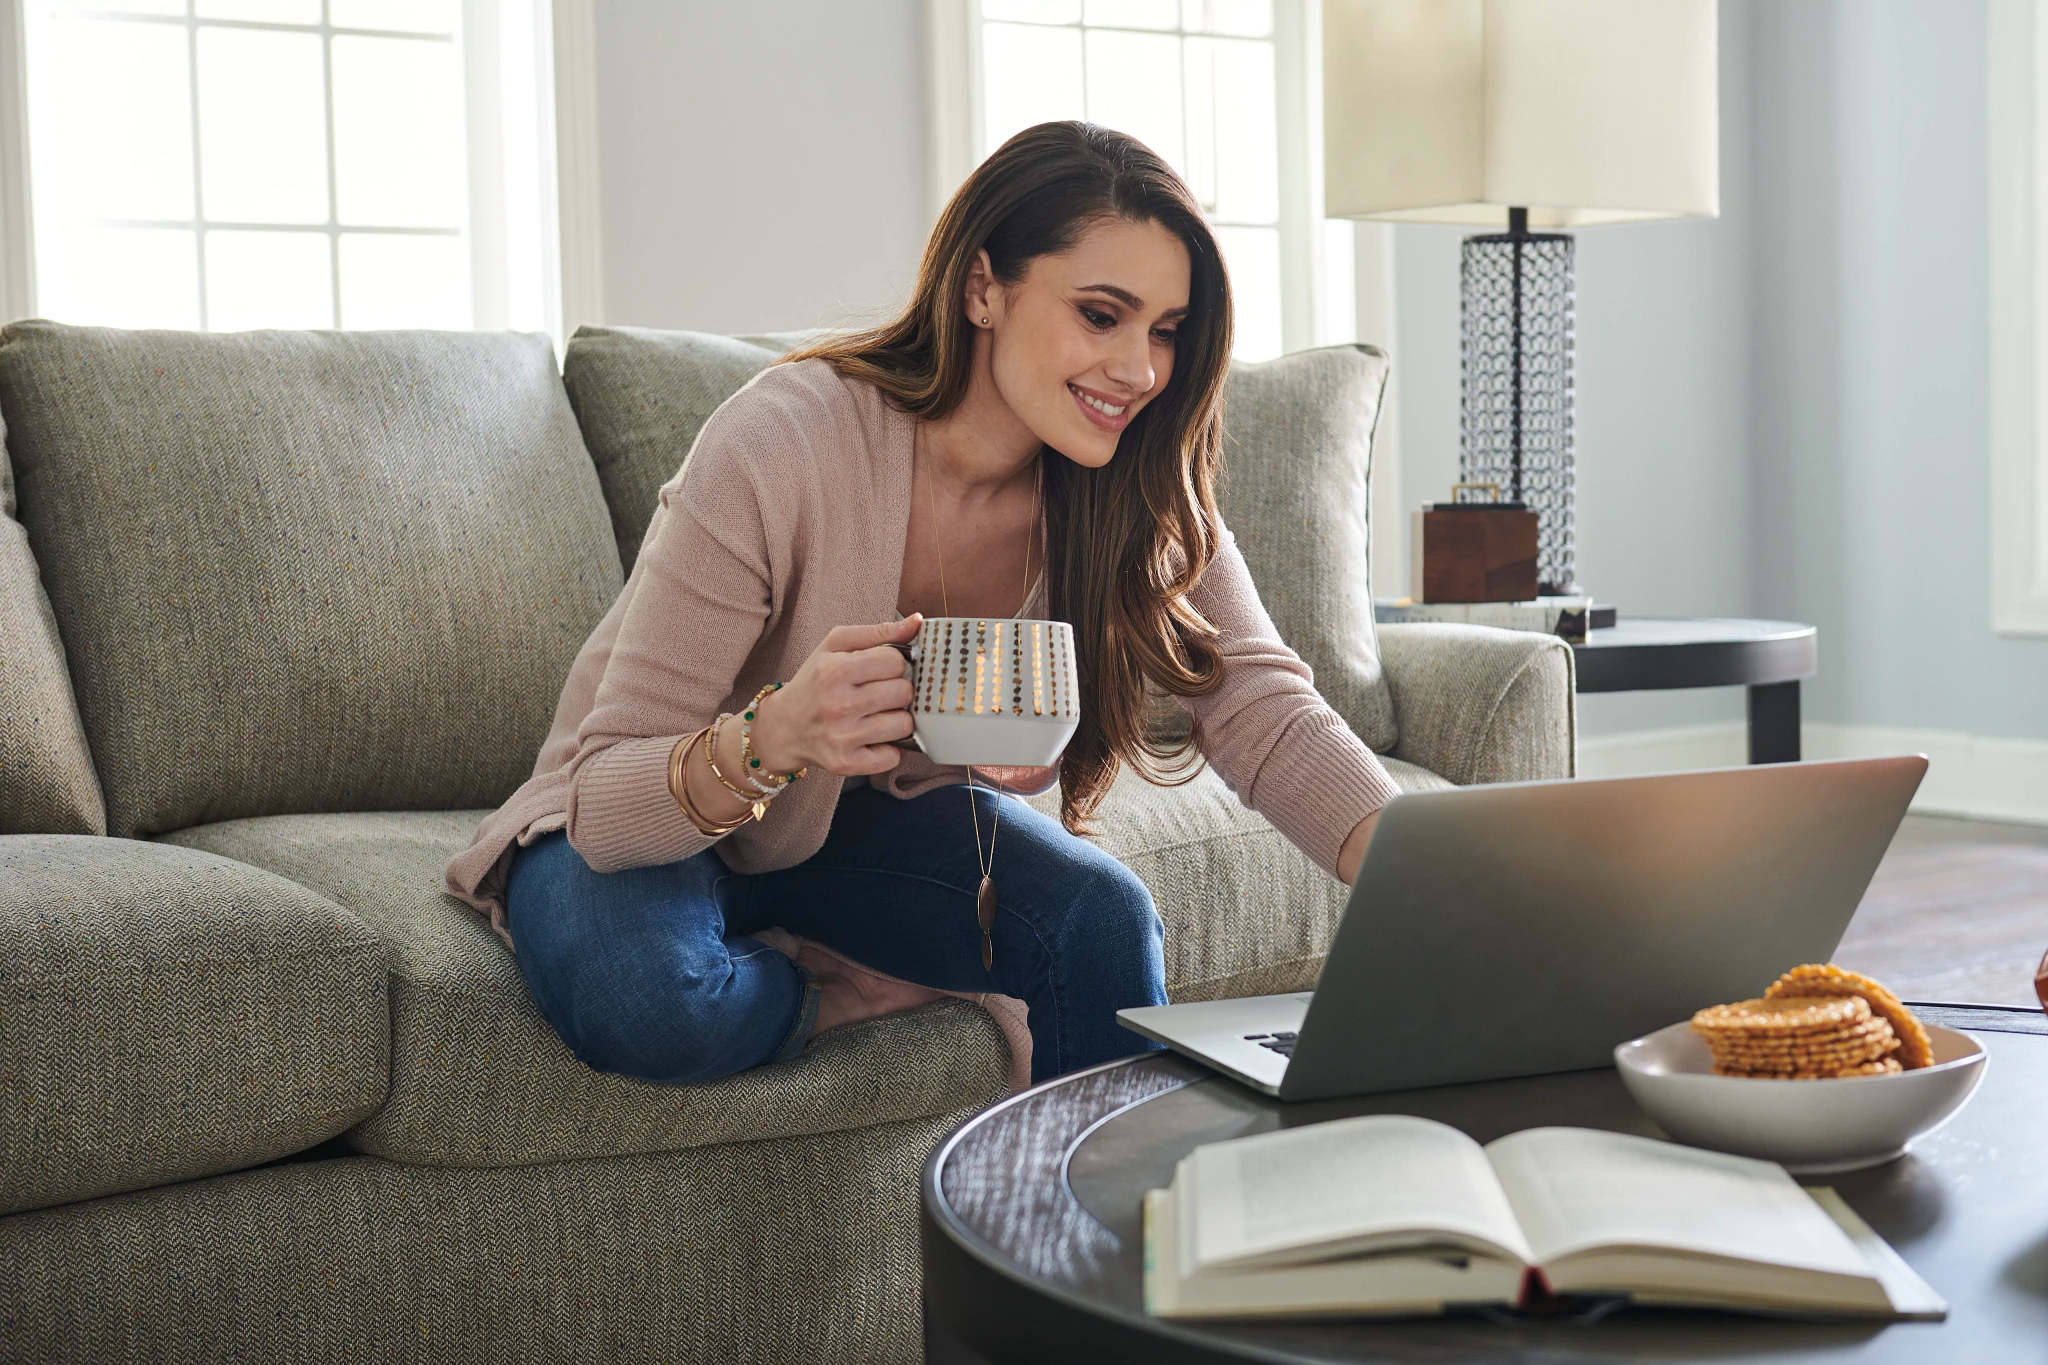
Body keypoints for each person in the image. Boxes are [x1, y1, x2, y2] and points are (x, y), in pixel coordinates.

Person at [444, 121, 1401, 1088]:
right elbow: (607, 803)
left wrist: (1429, 881)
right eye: (1101, 315)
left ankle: (1100, 1232)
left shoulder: (1132, 492)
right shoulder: (784, 441)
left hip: (849, 831)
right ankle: (824, 983)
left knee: (1100, 920)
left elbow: (1263, 710)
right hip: (654, 805)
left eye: (1165, 331)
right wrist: (777, 735)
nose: (1141, 370)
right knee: (648, 1000)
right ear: (983, 286)